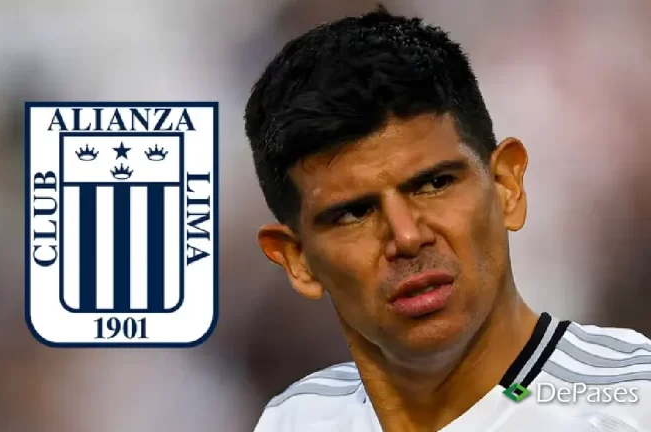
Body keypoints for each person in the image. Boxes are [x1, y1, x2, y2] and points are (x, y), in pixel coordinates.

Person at [243, 7, 651, 432]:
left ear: (507, 186)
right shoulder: (296, 418)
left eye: (435, 184)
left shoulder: (634, 404)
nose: (406, 236)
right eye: (355, 213)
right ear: (298, 260)